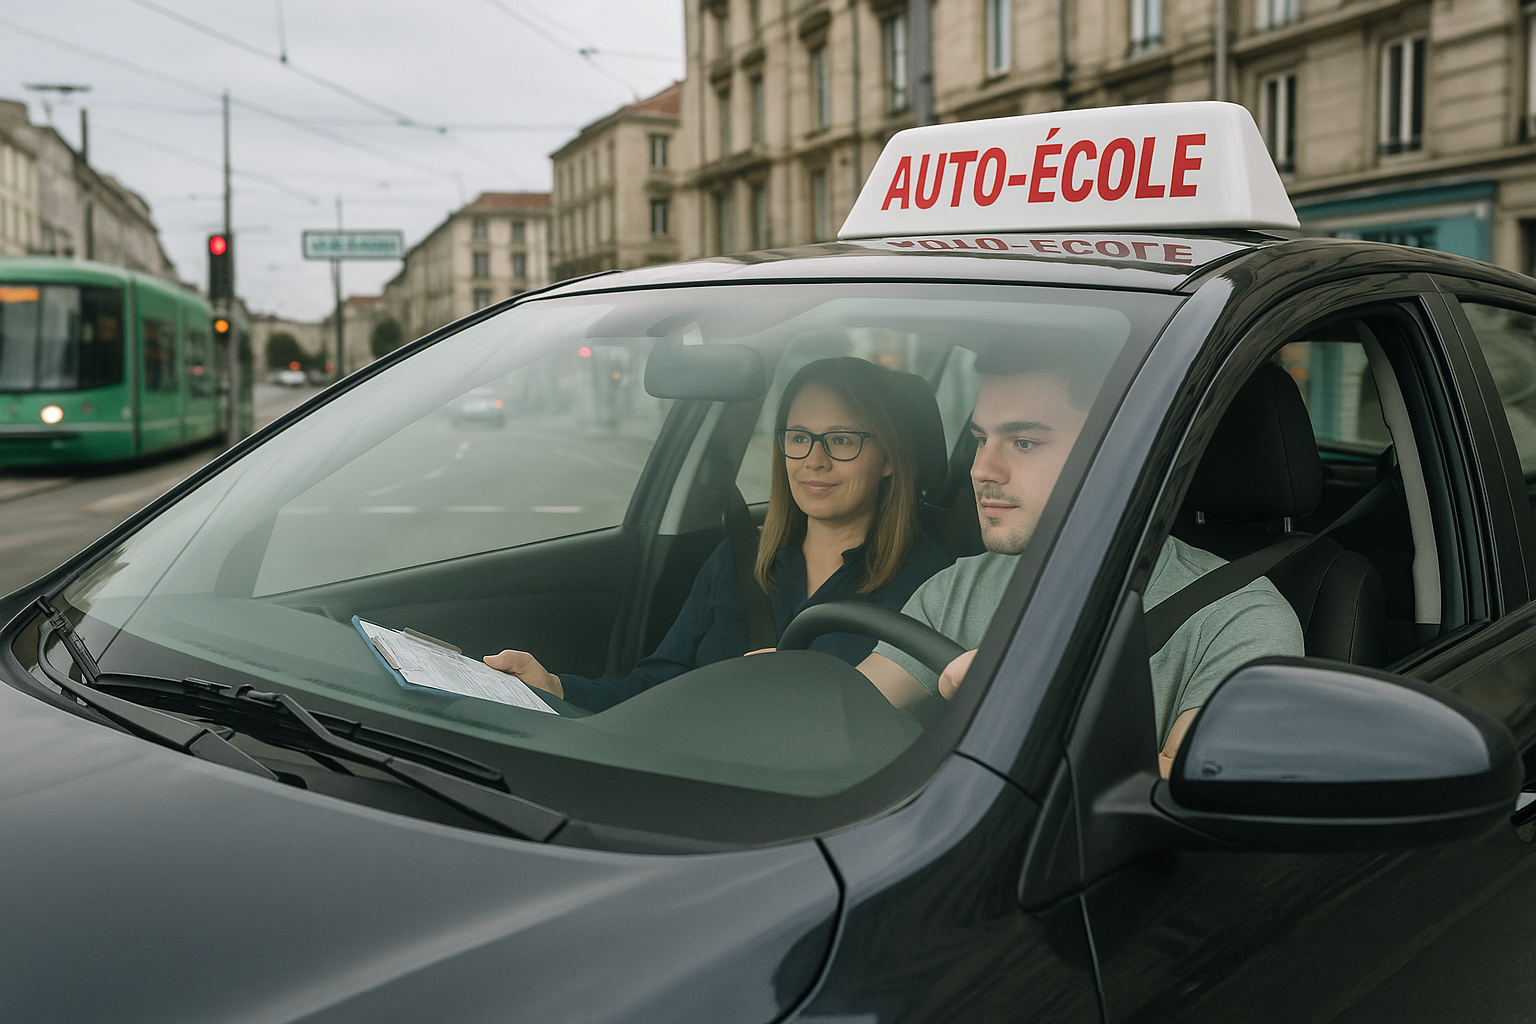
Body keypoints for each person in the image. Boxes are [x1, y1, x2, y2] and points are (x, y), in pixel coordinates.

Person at [858, 343, 1305, 777]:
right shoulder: (959, 585)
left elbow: (1190, 795)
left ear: (1116, 451)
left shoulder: (1238, 616)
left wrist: (1029, 706)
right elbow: (850, 709)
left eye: (1024, 442)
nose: (981, 469)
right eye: (980, 439)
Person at [485, 356, 952, 712]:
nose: (814, 460)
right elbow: (659, 685)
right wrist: (556, 688)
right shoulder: (738, 558)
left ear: (890, 459)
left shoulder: (934, 584)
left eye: (842, 440)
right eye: (798, 437)